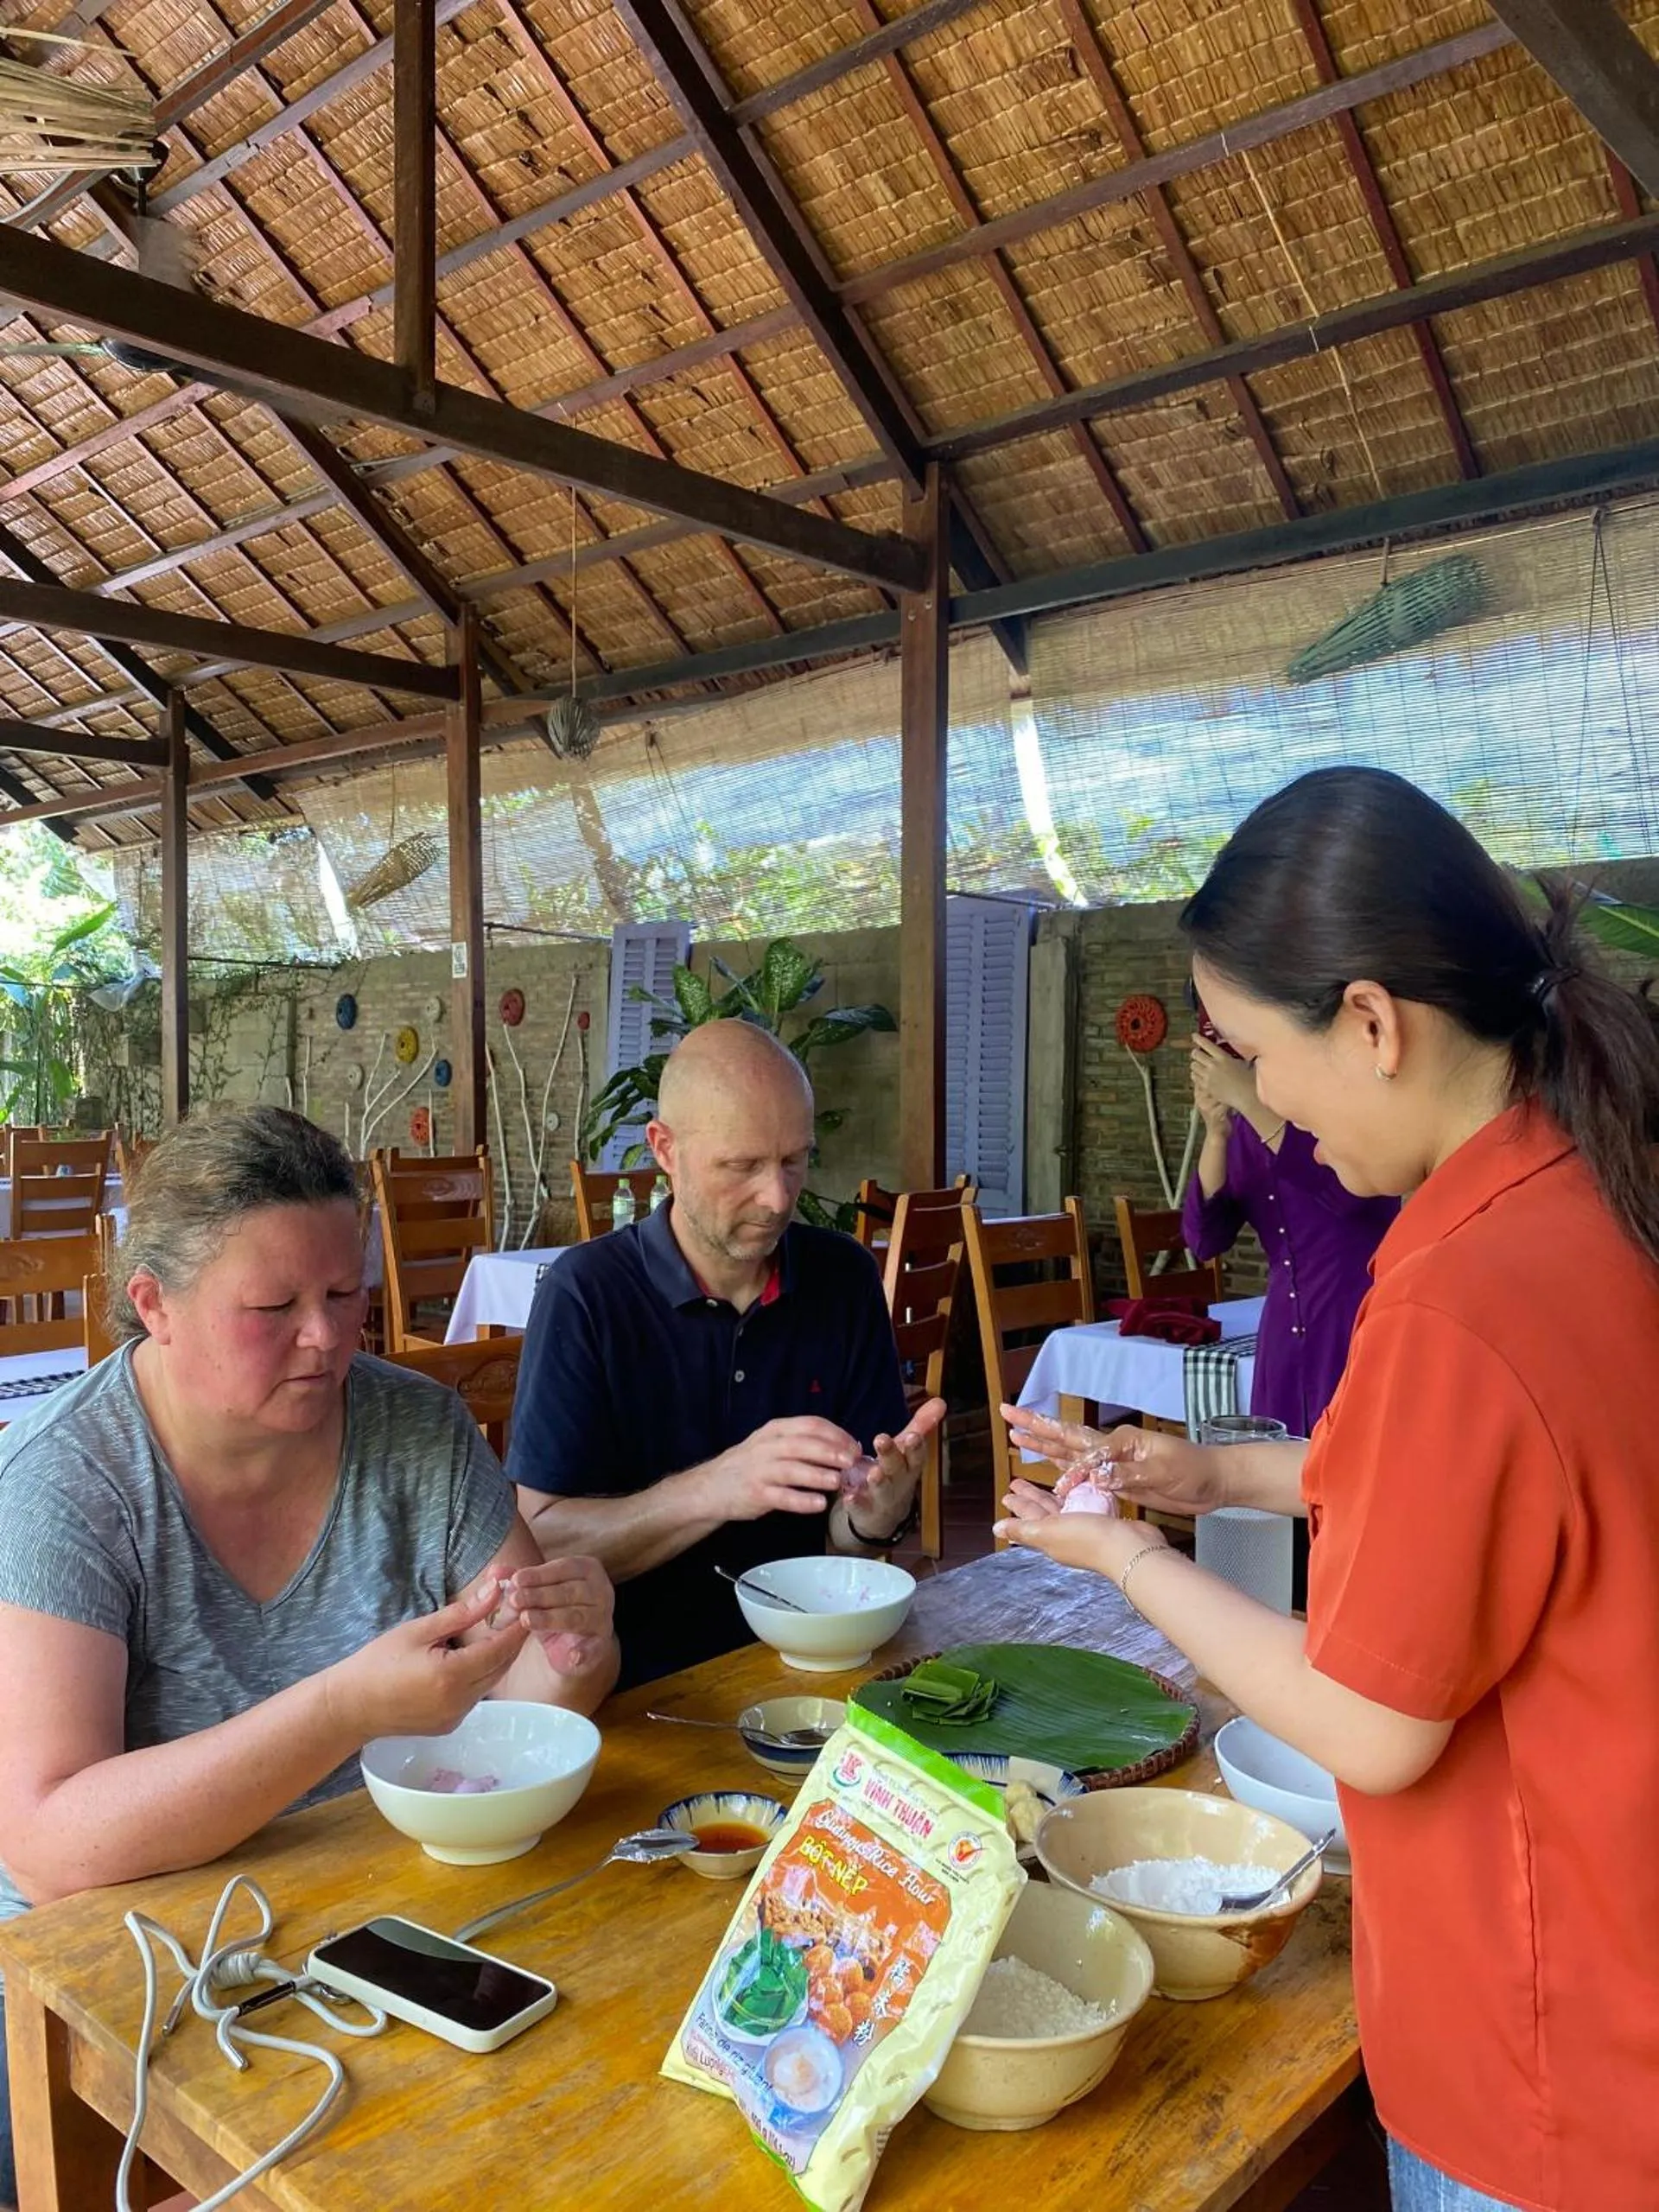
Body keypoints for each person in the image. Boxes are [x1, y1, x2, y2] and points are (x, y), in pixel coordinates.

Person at [1000, 767, 1659, 2212]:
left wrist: (1123, 1559)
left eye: (1249, 1049)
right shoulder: (1583, 1185)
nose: (1264, 1100)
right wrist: (1217, 1470)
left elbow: (1370, 1724)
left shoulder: (1461, 1290)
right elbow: (1488, 1495)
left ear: (1369, 1022)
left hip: (1545, 2074)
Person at [0, 1108, 618, 2212]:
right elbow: (49, 1842)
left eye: (344, 1296)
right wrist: (339, 1709)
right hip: (120, 1957)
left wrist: (573, 1659)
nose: (327, 1339)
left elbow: (522, 1690)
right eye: (273, 1307)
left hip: (355, 1917)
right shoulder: (67, 1486)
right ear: (154, 1305)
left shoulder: (415, 1428)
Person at [510, 1020, 944, 1688]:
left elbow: (850, 1536)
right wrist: (717, 1487)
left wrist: (874, 1512)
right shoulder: (587, 1294)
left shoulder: (842, 1278)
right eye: (742, 1166)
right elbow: (543, 1549)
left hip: (811, 1665)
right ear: (665, 1149)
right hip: (632, 1685)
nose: (776, 1198)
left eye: (794, 1160)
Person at [1184, 1030, 1396, 1438]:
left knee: (1352, 1458)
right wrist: (1217, 1134)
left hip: (1354, 1316)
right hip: (1284, 1329)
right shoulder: (1244, 1134)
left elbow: (1343, 1194)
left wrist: (1248, 1099)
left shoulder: (1338, 1112)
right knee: (1281, 1468)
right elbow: (1205, 1239)